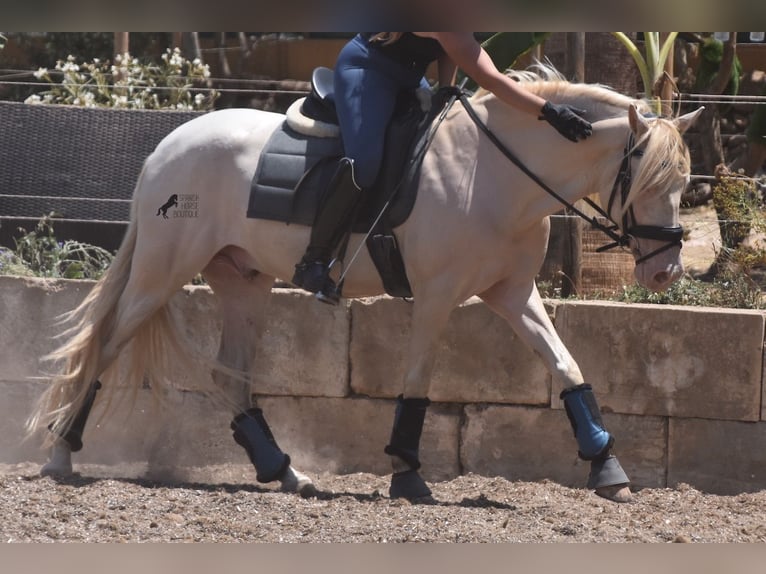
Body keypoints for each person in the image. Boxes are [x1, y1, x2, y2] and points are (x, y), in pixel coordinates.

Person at [291, 32, 592, 304]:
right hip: (367, 69)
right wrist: (548, 111)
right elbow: (490, 79)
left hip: (408, 78)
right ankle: (313, 261)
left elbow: (450, 48)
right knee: (365, 164)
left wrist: (446, 87)